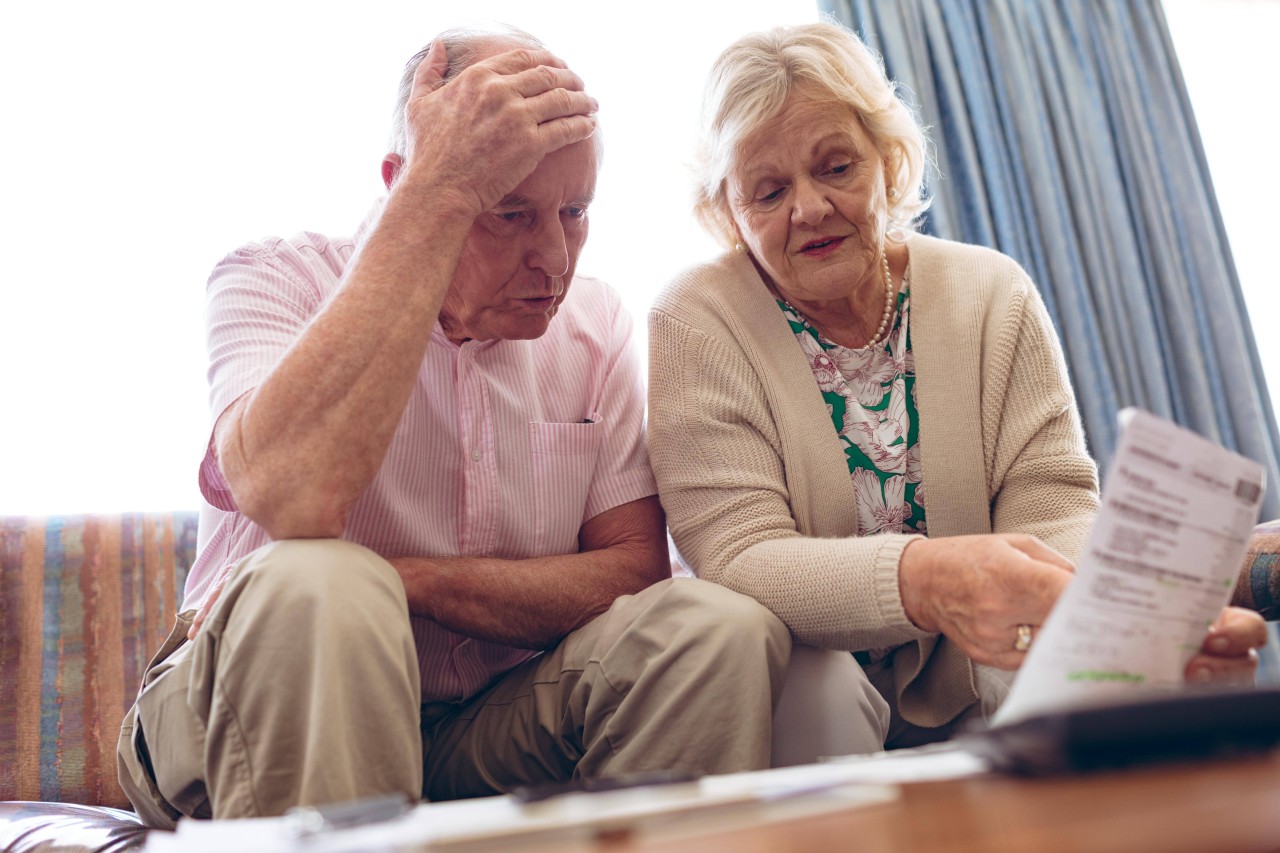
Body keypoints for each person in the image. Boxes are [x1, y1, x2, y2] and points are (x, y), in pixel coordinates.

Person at [116, 24, 791, 827]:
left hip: (484, 720)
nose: (554, 257)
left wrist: (413, 582)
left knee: (714, 627)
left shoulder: (596, 319)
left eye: (574, 211)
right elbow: (296, 500)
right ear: (409, 182)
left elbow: (631, 571)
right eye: (508, 213)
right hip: (241, 701)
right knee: (323, 583)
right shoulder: (272, 279)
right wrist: (436, 197)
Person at [646, 20, 1266, 751]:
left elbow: (1051, 510)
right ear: (727, 210)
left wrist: (1131, 614)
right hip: (809, 681)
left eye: (836, 167)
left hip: (983, 657)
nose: (808, 208)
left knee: (1093, 662)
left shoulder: (989, 291)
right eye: (769, 189)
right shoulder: (695, 320)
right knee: (821, 688)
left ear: (888, 159)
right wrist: (929, 580)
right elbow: (742, 558)